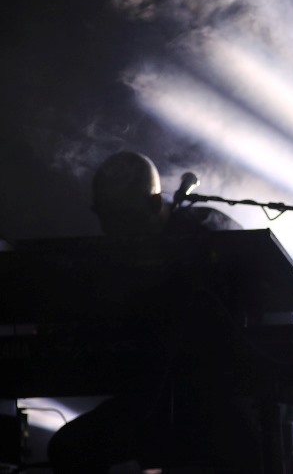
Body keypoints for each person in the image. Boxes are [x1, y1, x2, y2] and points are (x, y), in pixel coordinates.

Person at [46, 150, 264, 473]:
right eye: (106, 218)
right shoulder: (111, 261)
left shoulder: (204, 231)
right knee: (69, 448)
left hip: (216, 398)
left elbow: (266, 291)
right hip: (152, 402)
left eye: (124, 219)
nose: (115, 231)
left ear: (154, 204)